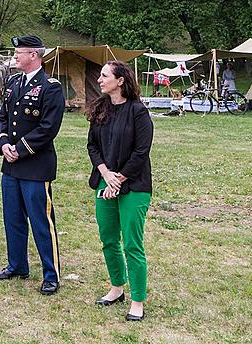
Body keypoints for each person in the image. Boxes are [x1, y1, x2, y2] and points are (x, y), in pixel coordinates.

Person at [0, 35, 65, 295]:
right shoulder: (12, 83)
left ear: (34, 55)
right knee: (13, 218)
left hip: (35, 165)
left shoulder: (51, 87)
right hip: (10, 166)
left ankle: (51, 274)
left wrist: (19, 150)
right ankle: (17, 265)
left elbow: (48, 128)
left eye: (18, 52)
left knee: (41, 221)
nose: (15, 56)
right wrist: (3, 145)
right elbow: (2, 117)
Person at [87, 61, 153, 322]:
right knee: (109, 239)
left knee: (133, 244)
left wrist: (120, 178)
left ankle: (137, 300)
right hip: (106, 181)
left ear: (121, 80)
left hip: (134, 185)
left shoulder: (138, 111)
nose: (100, 80)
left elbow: (141, 151)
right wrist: (106, 175)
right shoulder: (100, 109)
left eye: (104, 76)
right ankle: (116, 288)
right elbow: (92, 146)